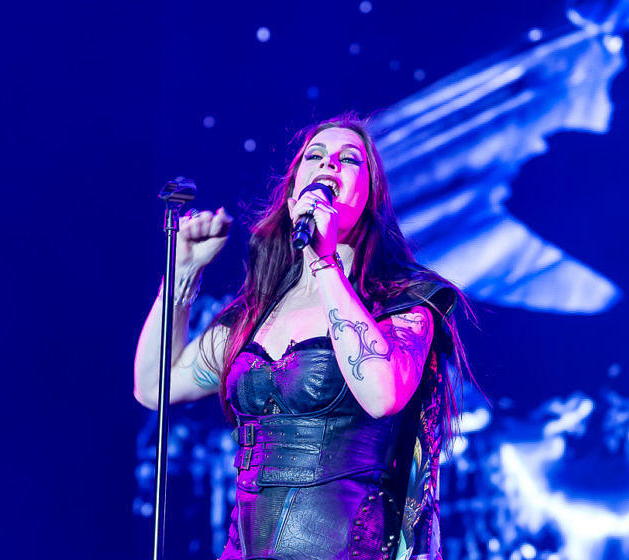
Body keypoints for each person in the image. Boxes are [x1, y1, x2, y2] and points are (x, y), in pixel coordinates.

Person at [134, 114, 473, 560]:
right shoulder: (255, 312)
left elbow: (381, 395)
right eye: (315, 156)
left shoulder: (404, 301)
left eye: (348, 159)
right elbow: (153, 386)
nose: (328, 164)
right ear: (294, 191)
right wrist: (182, 273)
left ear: (371, 195)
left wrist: (324, 261)